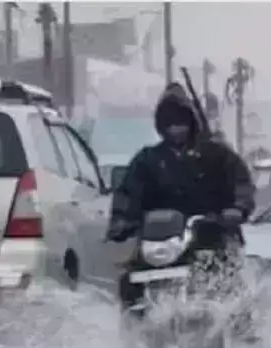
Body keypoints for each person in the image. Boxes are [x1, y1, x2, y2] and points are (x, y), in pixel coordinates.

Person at [105, 84, 256, 320]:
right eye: (169, 123)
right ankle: (134, 333)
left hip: (212, 234)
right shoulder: (148, 160)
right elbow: (128, 193)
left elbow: (241, 183)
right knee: (130, 279)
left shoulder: (217, 155)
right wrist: (120, 220)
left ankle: (240, 335)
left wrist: (237, 208)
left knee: (228, 279)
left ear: (192, 122)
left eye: (181, 122)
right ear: (161, 126)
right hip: (163, 243)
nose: (176, 129)